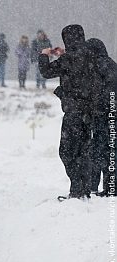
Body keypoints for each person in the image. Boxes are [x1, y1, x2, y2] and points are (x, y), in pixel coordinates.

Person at [39, 24, 100, 200]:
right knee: (84, 151)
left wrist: (44, 55)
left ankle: (77, 188)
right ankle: (83, 190)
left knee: (66, 151)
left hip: (74, 113)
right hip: (89, 113)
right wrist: (65, 54)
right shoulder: (92, 56)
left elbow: (46, 71)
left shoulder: (69, 59)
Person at [87, 38, 117, 196]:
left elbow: (99, 92)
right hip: (113, 115)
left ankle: (92, 187)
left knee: (96, 151)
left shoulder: (95, 67)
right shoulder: (113, 65)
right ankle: (111, 187)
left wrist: (97, 109)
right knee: (112, 151)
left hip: (101, 115)